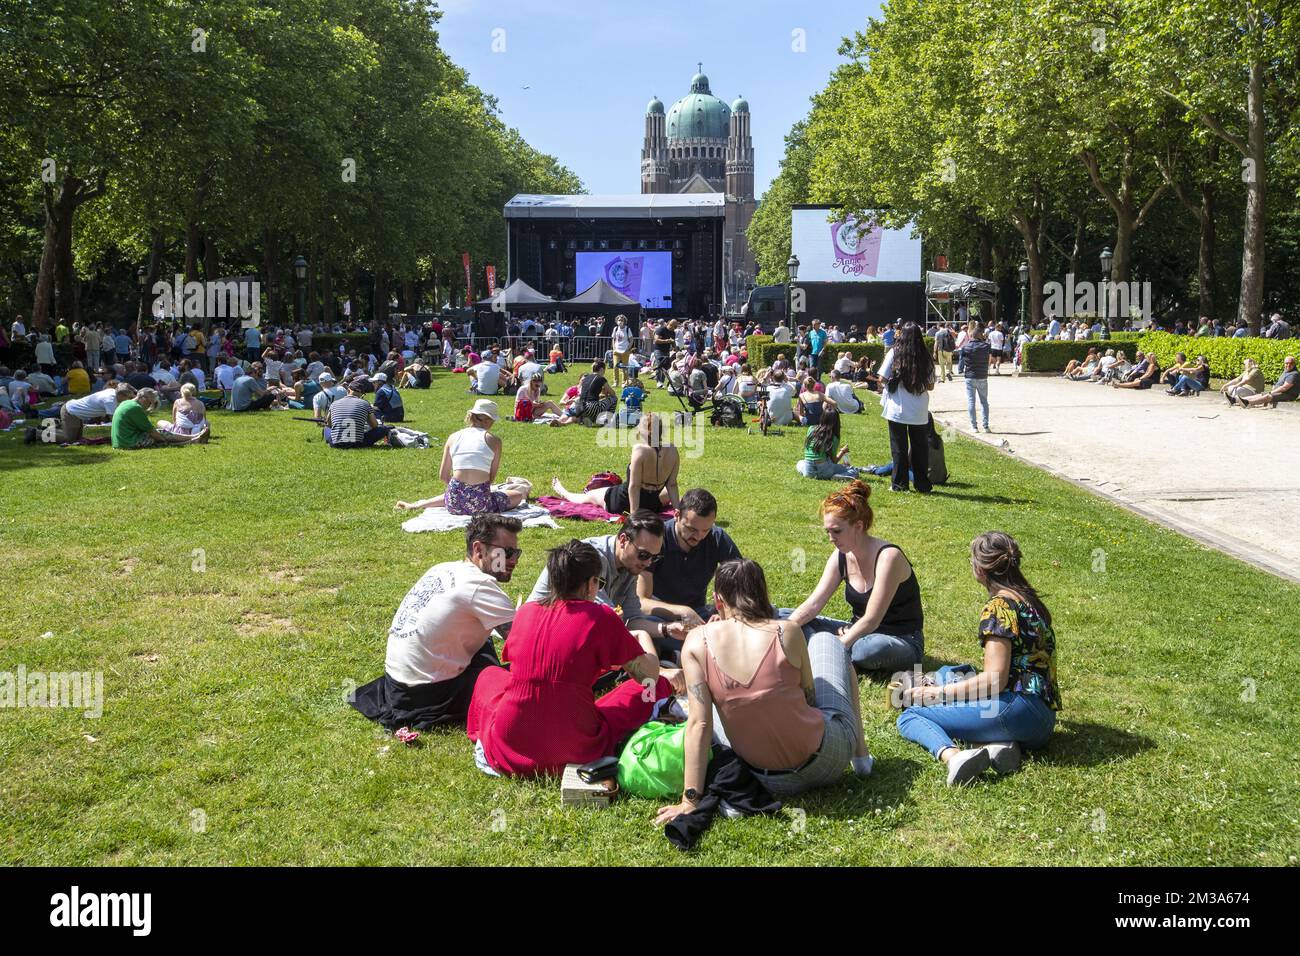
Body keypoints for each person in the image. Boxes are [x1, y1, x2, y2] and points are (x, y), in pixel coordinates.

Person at [655, 558, 873, 822]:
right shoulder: (787, 631)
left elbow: (698, 726)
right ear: (762, 593)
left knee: (705, 713)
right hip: (828, 761)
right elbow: (809, 697)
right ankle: (861, 759)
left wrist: (689, 800)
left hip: (767, 779)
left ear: (717, 599)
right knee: (829, 641)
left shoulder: (696, 642)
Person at [467, 538, 675, 777]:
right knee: (654, 686)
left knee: (489, 675)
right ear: (591, 584)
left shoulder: (525, 613)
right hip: (575, 746)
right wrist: (641, 637)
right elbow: (647, 676)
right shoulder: (600, 617)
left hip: (511, 742)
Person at [896, 531, 1060, 786]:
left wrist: (936, 695)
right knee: (954, 670)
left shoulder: (998, 608)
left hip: (1017, 711)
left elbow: (994, 681)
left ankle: (955, 757)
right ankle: (998, 745)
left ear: (981, 569)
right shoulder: (1031, 602)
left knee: (911, 716)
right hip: (1044, 719)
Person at [351, 514, 522, 731]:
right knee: (519, 679)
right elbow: (526, 646)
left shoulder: (442, 568)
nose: (514, 560)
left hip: (397, 686)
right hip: (427, 697)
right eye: (506, 552)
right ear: (479, 549)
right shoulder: (480, 587)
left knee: (484, 642)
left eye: (516, 552)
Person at [786, 481, 925, 672]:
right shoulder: (840, 556)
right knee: (785, 617)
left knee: (865, 650)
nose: (831, 538)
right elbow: (813, 604)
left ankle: (822, 649)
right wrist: (782, 631)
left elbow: (872, 619)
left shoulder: (888, 557)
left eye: (837, 531)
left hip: (899, 639)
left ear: (859, 526)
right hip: (856, 631)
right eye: (828, 531)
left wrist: (842, 643)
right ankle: (821, 647)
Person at [636, 488, 741, 661]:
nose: (698, 536)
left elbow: (742, 582)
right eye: (691, 529)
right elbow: (641, 601)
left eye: (705, 530)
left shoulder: (716, 537)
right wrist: (682, 611)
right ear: (676, 515)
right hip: (659, 615)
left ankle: (681, 655)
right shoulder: (658, 540)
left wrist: (724, 611)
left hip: (700, 614)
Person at [395, 399, 531, 513]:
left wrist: (462, 489)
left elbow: (443, 476)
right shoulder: (494, 441)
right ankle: (423, 503)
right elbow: (490, 478)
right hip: (481, 505)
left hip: (454, 504)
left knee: (458, 490)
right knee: (517, 495)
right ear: (489, 420)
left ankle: (416, 505)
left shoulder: (453, 437)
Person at [550, 411, 681, 515]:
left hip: (622, 502)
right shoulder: (673, 450)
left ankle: (563, 491)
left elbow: (634, 486)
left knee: (589, 496)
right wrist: (677, 511)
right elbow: (672, 485)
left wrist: (634, 514)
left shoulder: (639, 450)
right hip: (652, 505)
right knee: (663, 492)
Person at [878, 322, 936, 493]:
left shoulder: (895, 353)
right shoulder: (925, 356)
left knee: (899, 448)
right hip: (919, 409)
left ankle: (899, 484)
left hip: (898, 407)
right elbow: (931, 385)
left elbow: (881, 378)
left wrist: (895, 382)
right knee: (920, 449)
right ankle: (922, 484)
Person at [111, 388, 209, 449]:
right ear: (143, 399)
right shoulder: (135, 408)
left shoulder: (126, 403)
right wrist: (164, 440)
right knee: (161, 438)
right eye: (150, 403)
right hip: (129, 442)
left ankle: (195, 437)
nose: (149, 406)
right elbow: (152, 432)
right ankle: (194, 439)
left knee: (162, 434)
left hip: (120, 441)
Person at [324, 378, 393, 448]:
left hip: (336, 444)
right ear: (362, 394)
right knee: (383, 429)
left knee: (326, 428)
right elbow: (374, 425)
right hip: (358, 443)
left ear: (348, 390)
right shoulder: (365, 403)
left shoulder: (334, 403)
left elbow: (329, 424)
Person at [796, 406, 858, 480]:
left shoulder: (811, 429)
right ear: (836, 421)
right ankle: (837, 476)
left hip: (808, 472)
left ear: (822, 417)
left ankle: (832, 475)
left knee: (800, 462)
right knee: (853, 470)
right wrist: (843, 451)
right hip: (825, 471)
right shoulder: (833, 437)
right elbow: (834, 461)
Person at [551, 359, 617, 426]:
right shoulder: (601, 378)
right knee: (614, 399)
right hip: (591, 406)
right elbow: (612, 393)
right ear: (602, 369)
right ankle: (607, 420)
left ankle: (564, 423)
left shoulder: (586, 378)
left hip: (580, 407)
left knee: (576, 415)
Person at [957, 320, 991, 431]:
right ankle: (985, 426)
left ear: (971, 335)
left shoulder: (966, 348)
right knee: (984, 402)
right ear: (981, 335)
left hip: (970, 376)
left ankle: (974, 426)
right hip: (982, 376)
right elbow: (989, 360)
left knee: (971, 401)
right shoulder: (986, 346)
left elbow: (962, 360)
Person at [610, 314, 633, 388]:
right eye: (619, 320)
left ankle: (624, 382)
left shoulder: (627, 329)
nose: (620, 322)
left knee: (625, 368)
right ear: (617, 321)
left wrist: (627, 349)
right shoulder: (615, 329)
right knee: (615, 367)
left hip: (625, 351)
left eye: (622, 320)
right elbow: (613, 339)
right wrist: (614, 348)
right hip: (616, 351)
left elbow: (631, 340)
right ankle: (616, 382)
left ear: (624, 321)